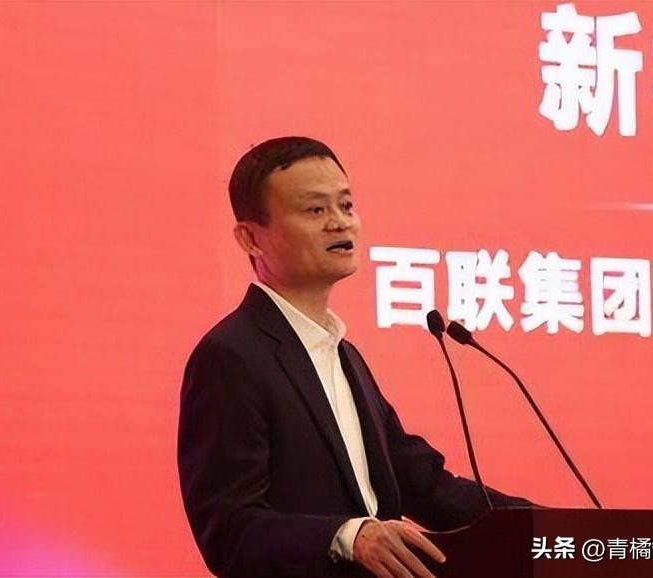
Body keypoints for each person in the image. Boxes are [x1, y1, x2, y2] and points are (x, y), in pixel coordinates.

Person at [178, 137, 530, 578]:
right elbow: (228, 530)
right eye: (315, 210)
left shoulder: (344, 356)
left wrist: (555, 529)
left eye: (345, 205)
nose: (339, 222)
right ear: (251, 238)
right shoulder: (231, 357)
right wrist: (347, 536)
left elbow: (424, 485)